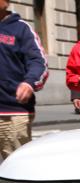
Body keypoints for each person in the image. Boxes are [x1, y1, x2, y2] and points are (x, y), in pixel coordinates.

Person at [0, 0, 47, 159]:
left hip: (12, 110)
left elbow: (38, 62)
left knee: (15, 162)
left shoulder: (21, 28)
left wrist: (29, 82)